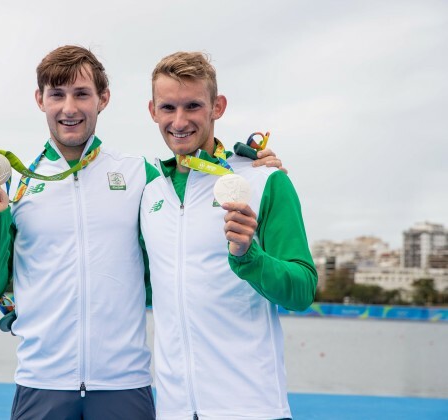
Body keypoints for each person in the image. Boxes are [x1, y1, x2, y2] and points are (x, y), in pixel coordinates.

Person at [0, 45, 283, 419]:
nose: (69, 108)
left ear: (103, 99)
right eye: (57, 95)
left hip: (124, 385)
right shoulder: (17, 185)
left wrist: (250, 163)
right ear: (40, 100)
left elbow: (193, 176)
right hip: (41, 381)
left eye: (82, 94)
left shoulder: (141, 175)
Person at [140, 51, 317, 419]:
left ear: (217, 106)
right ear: (153, 111)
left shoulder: (264, 180)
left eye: (193, 106)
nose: (180, 120)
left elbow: (302, 291)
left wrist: (248, 256)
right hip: (173, 410)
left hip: (251, 408)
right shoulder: (150, 193)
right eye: (168, 107)